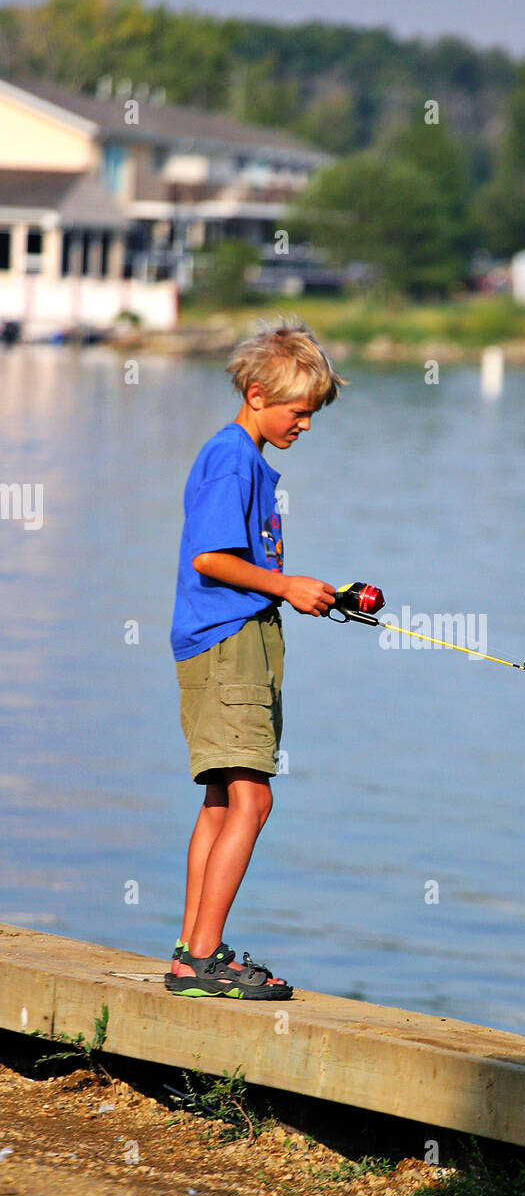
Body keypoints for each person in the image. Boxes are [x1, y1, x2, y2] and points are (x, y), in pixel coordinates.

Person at [166, 314, 347, 998]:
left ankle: (191, 953)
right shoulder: (232, 457)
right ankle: (204, 957)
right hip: (226, 645)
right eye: (299, 412)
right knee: (253, 799)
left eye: (313, 414)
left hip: (235, 638)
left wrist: (313, 594)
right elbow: (209, 557)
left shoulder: (244, 459)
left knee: (220, 799)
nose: (305, 425)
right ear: (257, 396)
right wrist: (284, 585)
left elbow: (235, 561)